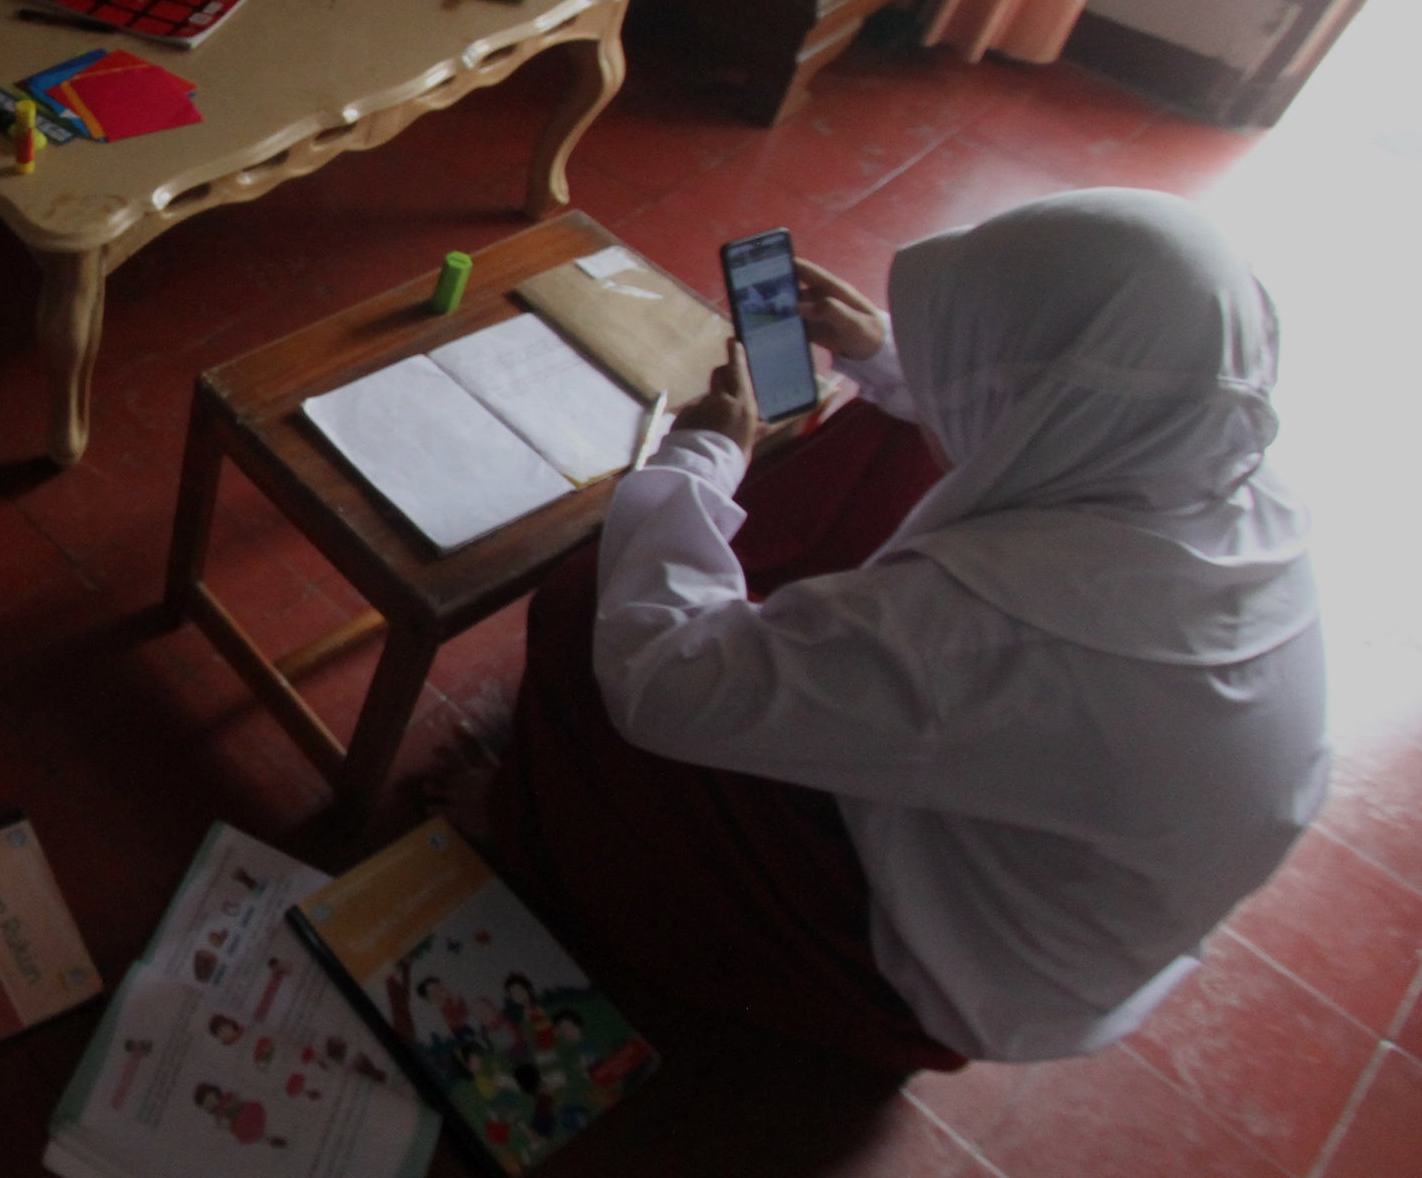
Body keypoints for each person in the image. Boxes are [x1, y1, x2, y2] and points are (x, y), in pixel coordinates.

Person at [496, 190, 1326, 1071]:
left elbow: (659, 683)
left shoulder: (995, 631)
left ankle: (553, 846)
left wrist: (699, 463)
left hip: (938, 967)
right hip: (1063, 875)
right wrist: (893, 359)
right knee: (895, 436)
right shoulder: (1223, 473)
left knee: (588, 604)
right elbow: (1026, 438)